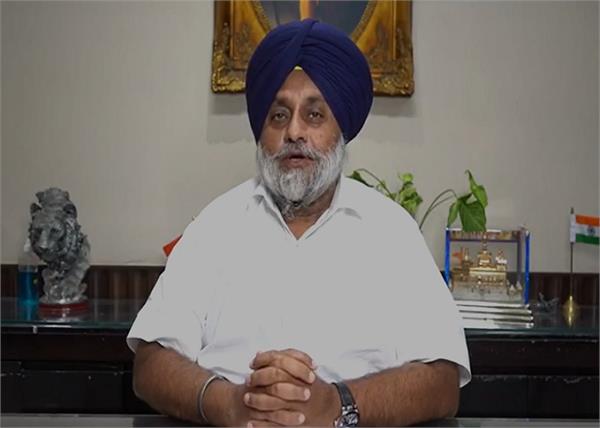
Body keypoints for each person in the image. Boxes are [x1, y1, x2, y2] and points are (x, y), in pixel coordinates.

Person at [128, 19, 470, 427]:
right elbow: (150, 364)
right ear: (261, 132)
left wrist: (337, 406)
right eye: (278, 115)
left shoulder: (391, 231)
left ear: (341, 129)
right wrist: (230, 404)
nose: (294, 131)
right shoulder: (215, 226)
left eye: (314, 114)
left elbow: (442, 381)